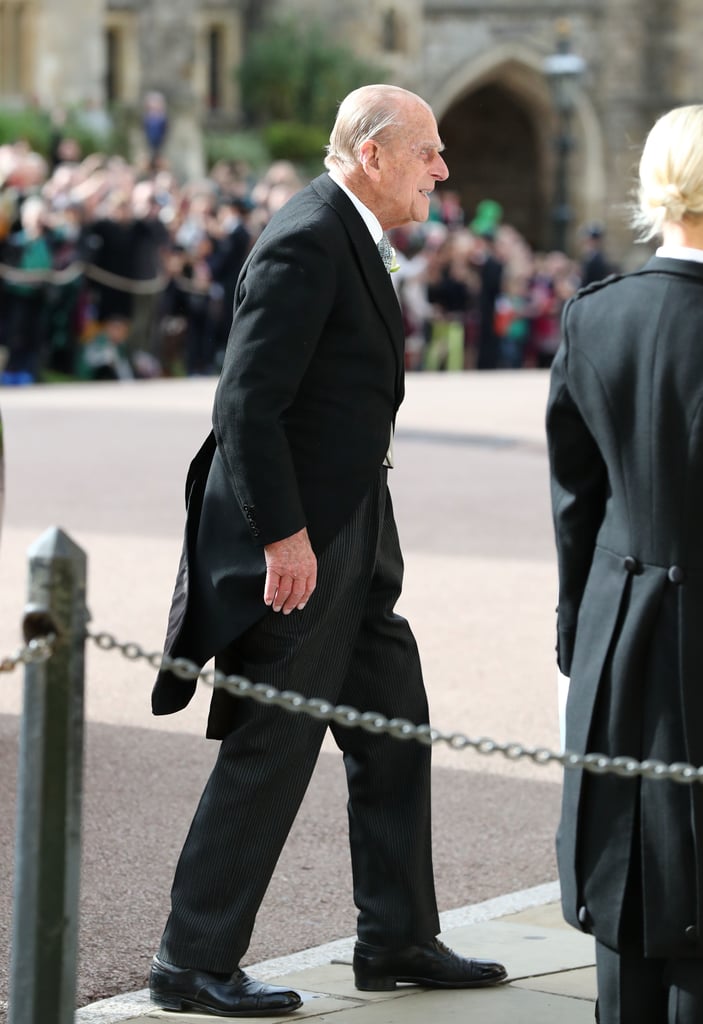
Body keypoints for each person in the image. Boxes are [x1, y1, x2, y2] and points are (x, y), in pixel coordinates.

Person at [149, 83, 507, 1017]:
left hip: (356, 531)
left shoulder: (349, 232)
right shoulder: (308, 234)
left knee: (394, 728)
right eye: (426, 151)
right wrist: (283, 536)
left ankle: (394, 938)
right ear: (370, 153)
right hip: (302, 541)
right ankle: (191, 962)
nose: (441, 168)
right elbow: (245, 405)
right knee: (272, 744)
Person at [546, 104, 703, 1024]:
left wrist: (579, 629)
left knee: (627, 869)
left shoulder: (594, 319)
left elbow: (575, 503)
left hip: (621, 615)